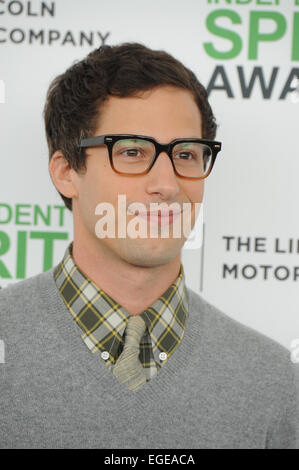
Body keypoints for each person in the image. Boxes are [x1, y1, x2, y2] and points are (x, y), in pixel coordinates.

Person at [0, 42, 298, 449]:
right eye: (133, 152)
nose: (168, 185)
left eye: (187, 154)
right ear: (67, 172)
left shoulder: (274, 380)